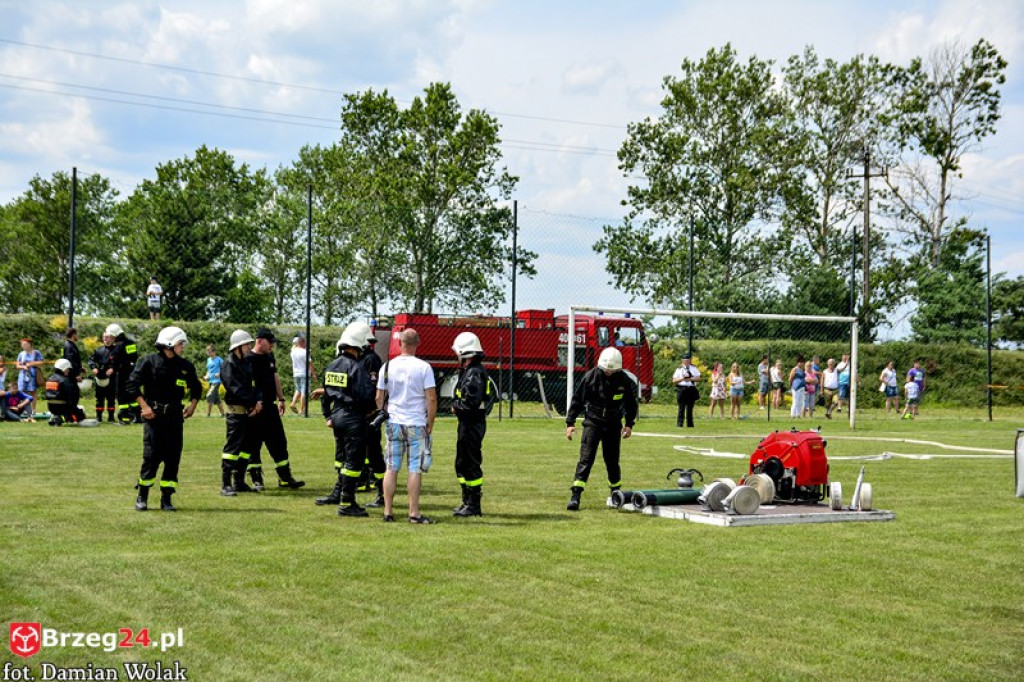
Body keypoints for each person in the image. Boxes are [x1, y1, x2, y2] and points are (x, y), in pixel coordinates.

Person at [126, 326, 202, 511]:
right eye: (180, 344)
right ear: (169, 343)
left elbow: (196, 387)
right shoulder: (148, 362)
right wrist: (144, 407)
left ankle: (166, 499)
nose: (182, 347)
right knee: (151, 457)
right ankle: (142, 495)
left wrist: (193, 405)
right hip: (154, 417)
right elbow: (131, 385)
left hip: (175, 417)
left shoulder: (185, 366)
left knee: (172, 457)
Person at [565, 347, 638, 511]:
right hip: (593, 423)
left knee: (612, 461)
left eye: (612, 370)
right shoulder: (590, 377)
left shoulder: (624, 380)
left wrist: (629, 425)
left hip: (613, 424)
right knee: (586, 459)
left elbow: (631, 404)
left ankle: (616, 494)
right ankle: (575, 496)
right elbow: (577, 400)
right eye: (606, 370)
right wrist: (570, 423)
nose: (608, 373)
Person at [376, 328, 437, 524]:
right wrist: (431, 422)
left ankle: (388, 511)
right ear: (417, 343)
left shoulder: (387, 366)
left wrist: (383, 413)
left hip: (394, 422)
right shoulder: (424, 367)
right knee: (414, 469)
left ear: (400, 343)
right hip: (416, 422)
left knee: (391, 467)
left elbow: (379, 397)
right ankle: (414, 512)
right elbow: (431, 398)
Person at [319, 322, 377, 518]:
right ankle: (346, 502)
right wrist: (371, 411)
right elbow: (366, 396)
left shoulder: (332, 365)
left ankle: (341, 494)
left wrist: (328, 415)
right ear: (358, 346)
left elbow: (326, 393)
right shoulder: (356, 367)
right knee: (354, 461)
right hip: (353, 418)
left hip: (337, 416)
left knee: (343, 458)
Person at [243, 328, 305, 491]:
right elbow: (246, 384)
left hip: (270, 406)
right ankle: (256, 479)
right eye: (270, 342)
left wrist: (282, 398)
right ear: (260, 341)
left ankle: (285, 477)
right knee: (254, 444)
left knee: (279, 441)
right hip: (255, 408)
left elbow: (275, 377)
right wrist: (253, 402)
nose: (272, 345)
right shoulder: (248, 359)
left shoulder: (270, 357)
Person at [451, 331, 492, 517]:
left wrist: (455, 407)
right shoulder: (471, 371)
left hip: (471, 424)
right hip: (468, 424)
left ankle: (473, 504)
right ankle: (467, 501)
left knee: (470, 462)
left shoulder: (474, 373)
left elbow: (471, 402)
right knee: (462, 463)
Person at [220, 329, 261, 496]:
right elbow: (235, 389)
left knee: (246, 448)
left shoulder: (245, 362)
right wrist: (253, 402)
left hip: (247, 412)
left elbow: (251, 386)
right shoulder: (228, 364)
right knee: (233, 448)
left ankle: (239, 481)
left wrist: (257, 402)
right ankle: (225, 484)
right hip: (236, 412)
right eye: (247, 344)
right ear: (238, 346)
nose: (249, 347)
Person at [107, 323, 141, 424]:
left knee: (121, 395)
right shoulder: (131, 343)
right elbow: (134, 357)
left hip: (122, 374)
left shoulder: (117, 347)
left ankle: (125, 418)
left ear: (114, 335)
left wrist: (112, 368)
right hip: (132, 373)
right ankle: (138, 416)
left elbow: (115, 361)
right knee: (132, 394)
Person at [45, 358, 88, 425]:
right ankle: (62, 418)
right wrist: (75, 408)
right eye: (67, 369)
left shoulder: (50, 379)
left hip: (51, 407)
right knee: (80, 415)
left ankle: (57, 417)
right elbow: (71, 395)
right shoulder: (65, 380)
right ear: (63, 368)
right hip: (63, 406)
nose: (68, 371)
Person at [89, 333, 116, 422]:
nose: (105, 339)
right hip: (100, 377)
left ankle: (111, 417)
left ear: (112, 338)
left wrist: (113, 368)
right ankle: (98, 417)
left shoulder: (116, 351)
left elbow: (120, 362)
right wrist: (94, 368)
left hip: (111, 378)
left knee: (111, 398)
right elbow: (91, 360)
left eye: (107, 337)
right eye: (104, 337)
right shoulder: (98, 351)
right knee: (99, 398)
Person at [289, 334, 318, 415]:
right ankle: (302, 410)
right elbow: (310, 364)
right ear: (303, 342)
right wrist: (314, 374)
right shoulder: (305, 352)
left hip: (296, 374)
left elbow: (294, 348)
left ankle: (293, 403)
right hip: (304, 374)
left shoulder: (293, 352)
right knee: (304, 392)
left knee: (298, 389)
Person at [671, 353, 701, 428]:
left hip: (691, 389)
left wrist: (691, 379)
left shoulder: (693, 368)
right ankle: (680, 424)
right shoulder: (679, 369)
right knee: (681, 407)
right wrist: (682, 378)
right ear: (682, 361)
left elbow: (699, 378)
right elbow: (674, 381)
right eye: (685, 361)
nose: (687, 362)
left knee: (690, 408)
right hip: (682, 389)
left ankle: (690, 424)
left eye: (688, 360)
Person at [16, 337, 44, 413]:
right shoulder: (21, 354)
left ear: (29, 344)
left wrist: (31, 364)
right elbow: (17, 366)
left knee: (33, 392)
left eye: (24, 344)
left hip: (32, 375)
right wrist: (23, 367)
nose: (23, 346)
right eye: (22, 344)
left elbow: (41, 363)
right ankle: (24, 409)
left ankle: (33, 409)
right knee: (22, 392)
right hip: (22, 375)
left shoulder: (36, 352)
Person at [205, 344, 225, 417]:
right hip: (211, 381)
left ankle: (208, 414)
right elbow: (208, 370)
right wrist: (206, 376)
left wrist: (219, 374)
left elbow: (224, 368)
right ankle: (222, 414)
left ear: (213, 352)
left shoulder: (219, 360)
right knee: (217, 399)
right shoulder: (208, 360)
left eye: (209, 351)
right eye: (207, 352)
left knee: (209, 395)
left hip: (217, 381)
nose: (208, 353)